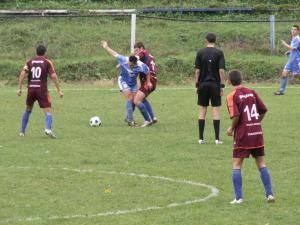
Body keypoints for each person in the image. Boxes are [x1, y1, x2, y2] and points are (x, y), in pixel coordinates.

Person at [226, 70, 274, 204]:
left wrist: (231, 128)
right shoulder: (252, 92)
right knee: (261, 163)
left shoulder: (232, 96)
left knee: (236, 164)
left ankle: (238, 197)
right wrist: (256, 122)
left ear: (229, 81)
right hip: (257, 133)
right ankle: (269, 194)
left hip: (243, 135)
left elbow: (235, 115)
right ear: (242, 79)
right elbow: (263, 110)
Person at [101, 40, 153, 127]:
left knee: (134, 101)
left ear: (135, 63)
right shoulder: (124, 59)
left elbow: (148, 72)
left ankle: (133, 118)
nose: (129, 66)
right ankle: (130, 120)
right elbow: (114, 53)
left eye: (131, 65)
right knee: (129, 97)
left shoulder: (140, 66)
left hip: (133, 84)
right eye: (128, 64)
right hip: (123, 81)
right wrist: (106, 47)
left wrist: (148, 82)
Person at [18, 45, 63, 138]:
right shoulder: (47, 62)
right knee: (48, 110)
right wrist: (59, 90)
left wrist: (19, 89)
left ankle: (22, 132)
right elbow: (53, 76)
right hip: (41, 90)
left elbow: (22, 74)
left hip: (31, 89)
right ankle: (48, 129)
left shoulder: (29, 61)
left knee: (28, 110)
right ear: (45, 52)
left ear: (36, 52)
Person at [194, 32, 225, 145]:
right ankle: (217, 139)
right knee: (215, 110)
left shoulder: (200, 52)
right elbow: (221, 70)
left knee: (202, 110)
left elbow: (197, 70)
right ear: (215, 40)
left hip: (202, 84)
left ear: (206, 40)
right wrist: (222, 85)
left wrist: (197, 84)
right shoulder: (219, 53)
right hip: (215, 85)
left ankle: (201, 139)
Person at [134, 41, 158, 124]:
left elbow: (137, 57)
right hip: (152, 80)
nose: (135, 52)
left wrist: (131, 60)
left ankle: (148, 120)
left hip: (148, 81)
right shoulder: (149, 54)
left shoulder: (143, 53)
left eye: (136, 50)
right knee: (142, 99)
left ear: (141, 48)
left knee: (136, 100)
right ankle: (153, 117)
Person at [274, 24, 300, 95]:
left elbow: (292, 48)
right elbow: (294, 49)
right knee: (284, 74)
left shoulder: (297, 39)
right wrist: (289, 52)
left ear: (298, 31)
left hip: (296, 60)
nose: (293, 31)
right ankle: (282, 91)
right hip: (291, 60)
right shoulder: (294, 38)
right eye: (292, 29)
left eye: (295, 29)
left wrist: (285, 44)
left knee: (297, 75)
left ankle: (282, 90)